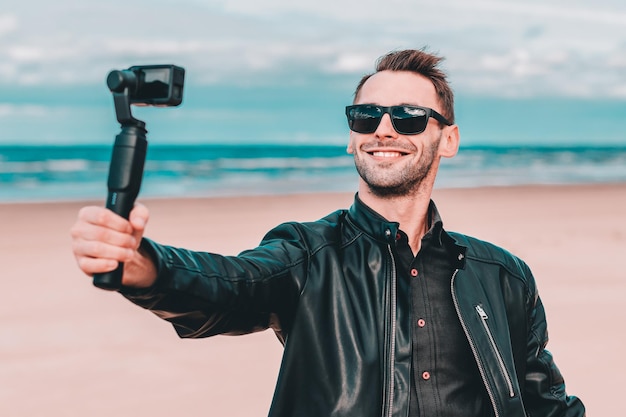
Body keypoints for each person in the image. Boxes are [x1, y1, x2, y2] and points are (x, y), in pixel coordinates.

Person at [71, 48, 586, 417]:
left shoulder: (502, 277)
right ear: (351, 139)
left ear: (447, 139)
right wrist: (144, 267)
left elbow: (544, 403)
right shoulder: (308, 254)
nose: (383, 128)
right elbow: (231, 285)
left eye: (408, 117)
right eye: (366, 116)